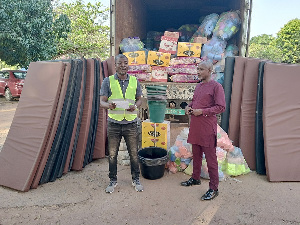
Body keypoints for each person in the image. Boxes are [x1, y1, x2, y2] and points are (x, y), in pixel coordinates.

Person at [181, 60, 225, 201]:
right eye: (198, 69)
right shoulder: (199, 86)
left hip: (207, 127)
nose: (198, 72)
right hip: (195, 126)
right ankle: (195, 178)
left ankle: (214, 188)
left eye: (201, 69)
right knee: (196, 155)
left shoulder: (216, 87)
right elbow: (195, 101)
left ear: (210, 70)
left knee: (211, 159)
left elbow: (221, 107)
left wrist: (203, 111)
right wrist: (189, 107)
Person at [100, 54, 143, 193]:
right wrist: (108, 105)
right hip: (114, 123)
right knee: (112, 154)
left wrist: (135, 107)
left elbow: (139, 100)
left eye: (125, 63)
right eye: (120, 63)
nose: (123, 65)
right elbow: (102, 102)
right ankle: (113, 180)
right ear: (115, 65)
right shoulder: (108, 81)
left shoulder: (135, 81)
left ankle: (135, 179)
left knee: (134, 153)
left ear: (128, 65)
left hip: (130, 123)